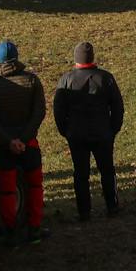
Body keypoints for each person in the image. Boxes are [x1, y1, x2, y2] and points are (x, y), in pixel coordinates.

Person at [0, 40, 47, 245]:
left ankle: (10, 231)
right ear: (17, 58)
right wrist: (23, 139)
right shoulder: (32, 81)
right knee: (35, 186)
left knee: (7, 190)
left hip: (3, 146)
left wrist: (9, 140)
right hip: (29, 144)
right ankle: (34, 228)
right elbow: (39, 113)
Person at [53, 41, 124, 221]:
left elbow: (59, 110)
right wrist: (112, 129)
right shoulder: (105, 78)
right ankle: (112, 206)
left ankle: (84, 211)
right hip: (102, 132)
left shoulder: (67, 80)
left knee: (81, 174)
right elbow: (117, 107)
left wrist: (66, 131)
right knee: (107, 170)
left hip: (76, 134)